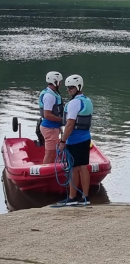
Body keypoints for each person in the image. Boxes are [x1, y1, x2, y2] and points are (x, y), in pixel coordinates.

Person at [57, 74, 93, 206]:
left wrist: (62, 141)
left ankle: (72, 198)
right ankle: (85, 197)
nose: (68, 90)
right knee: (83, 167)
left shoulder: (74, 103)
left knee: (73, 168)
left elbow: (70, 124)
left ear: (78, 87)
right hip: (85, 138)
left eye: (71, 87)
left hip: (75, 141)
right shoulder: (87, 100)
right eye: (67, 87)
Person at [38, 71, 64, 165]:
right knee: (50, 154)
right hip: (50, 128)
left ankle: (51, 168)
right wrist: (63, 120)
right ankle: (45, 170)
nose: (60, 84)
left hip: (52, 127)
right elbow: (47, 115)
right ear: (55, 82)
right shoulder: (49, 96)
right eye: (59, 82)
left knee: (52, 153)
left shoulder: (51, 93)